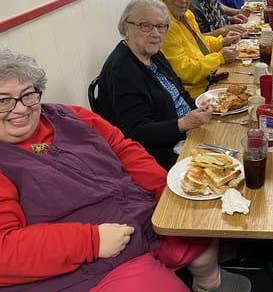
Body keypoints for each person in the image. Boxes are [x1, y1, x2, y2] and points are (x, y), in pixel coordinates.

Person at [0, 48, 251, 292]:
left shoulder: (70, 115)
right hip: (87, 265)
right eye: (3, 101)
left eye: (28, 95)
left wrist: (165, 192)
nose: (21, 108)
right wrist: (91, 241)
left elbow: (124, 148)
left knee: (200, 223)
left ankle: (208, 282)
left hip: (139, 214)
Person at [98, 0, 213, 171]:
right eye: (146, 26)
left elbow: (181, 93)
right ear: (126, 28)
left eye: (161, 27)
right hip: (158, 152)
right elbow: (137, 132)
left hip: (188, 132)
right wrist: (183, 124)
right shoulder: (120, 71)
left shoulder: (154, 54)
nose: (155, 34)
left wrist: (201, 108)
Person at [159, 0, 241, 99]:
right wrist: (219, 58)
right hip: (192, 95)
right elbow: (184, 71)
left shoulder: (186, 14)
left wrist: (222, 41)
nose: (183, 0)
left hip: (208, 79)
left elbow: (200, 43)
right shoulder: (162, 24)